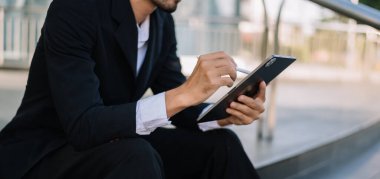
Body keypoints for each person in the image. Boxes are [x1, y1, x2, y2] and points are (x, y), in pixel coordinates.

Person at [0, 0, 267, 178]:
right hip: (48, 152)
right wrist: (185, 92)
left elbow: (178, 105)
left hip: (115, 142)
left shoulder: (161, 23)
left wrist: (224, 114)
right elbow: (83, 125)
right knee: (136, 155)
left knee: (222, 146)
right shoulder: (76, 8)